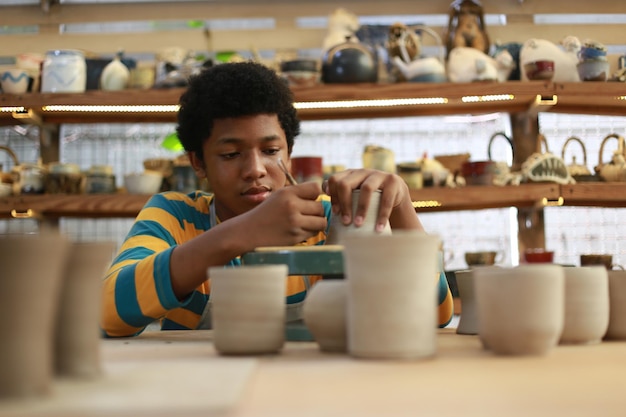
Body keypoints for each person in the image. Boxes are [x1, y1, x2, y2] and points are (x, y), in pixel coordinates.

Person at [101, 61, 453, 337]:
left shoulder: (329, 219)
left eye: (271, 150)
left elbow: (434, 314)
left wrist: (400, 206)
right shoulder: (174, 216)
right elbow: (108, 313)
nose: (255, 169)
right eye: (230, 154)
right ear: (198, 162)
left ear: (289, 151)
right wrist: (242, 233)